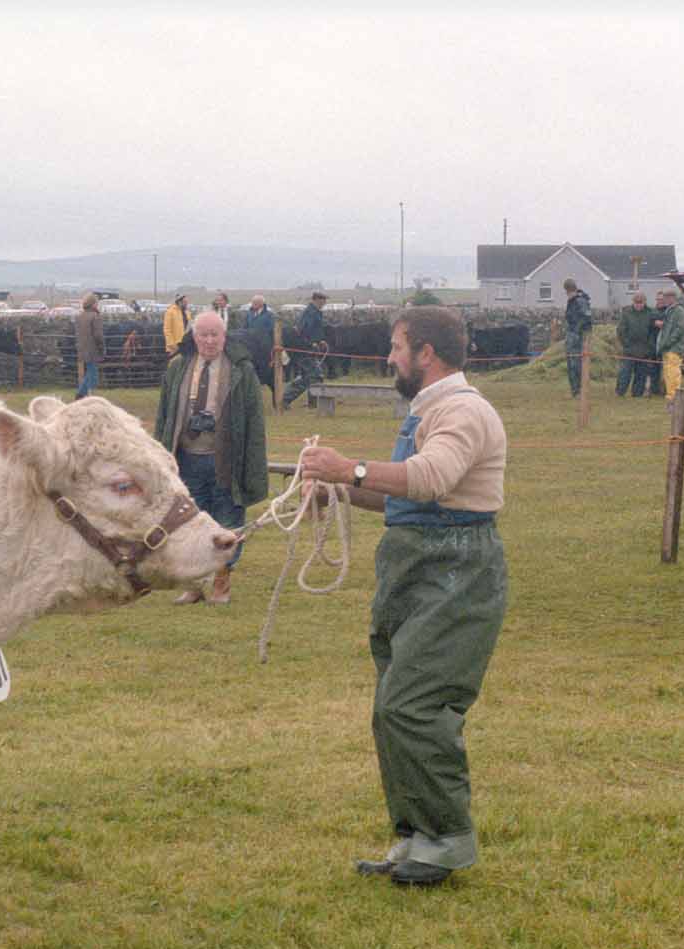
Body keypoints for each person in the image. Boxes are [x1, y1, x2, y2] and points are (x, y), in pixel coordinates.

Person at [298, 306, 508, 888]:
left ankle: (448, 838)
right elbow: (409, 498)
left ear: (426, 353)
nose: (389, 358)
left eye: (396, 347)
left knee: (411, 705)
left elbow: (431, 478)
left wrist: (348, 468)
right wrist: (337, 490)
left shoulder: (463, 412)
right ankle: (418, 835)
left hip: (456, 574)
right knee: (392, 705)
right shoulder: (429, 411)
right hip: (418, 569)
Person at [152, 310, 267, 606]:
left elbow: (255, 423)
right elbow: (164, 415)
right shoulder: (178, 367)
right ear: (194, 336)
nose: (209, 340)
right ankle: (193, 585)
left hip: (226, 460)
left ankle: (222, 581)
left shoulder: (242, 370)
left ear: (224, 337)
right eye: (203, 334)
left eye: (215, 334)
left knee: (227, 520)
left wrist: (252, 466)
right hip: (187, 458)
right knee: (189, 523)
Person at [282, 290, 328, 409]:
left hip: (310, 348)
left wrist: (320, 340)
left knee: (309, 376)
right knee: (314, 375)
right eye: (323, 300)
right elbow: (301, 331)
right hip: (305, 349)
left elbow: (315, 330)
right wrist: (311, 343)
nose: (324, 303)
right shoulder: (309, 313)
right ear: (316, 300)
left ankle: (312, 404)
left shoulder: (315, 312)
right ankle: (284, 400)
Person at [614, 291, 658, 398]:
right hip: (629, 349)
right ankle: (620, 392)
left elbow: (653, 331)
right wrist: (626, 343)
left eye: (641, 302)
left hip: (644, 350)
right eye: (636, 302)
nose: (638, 305)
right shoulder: (626, 313)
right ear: (633, 302)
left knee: (641, 374)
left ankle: (637, 394)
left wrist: (649, 346)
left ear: (644, 302)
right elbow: (621, 330)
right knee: (624, 373)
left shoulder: (651, 313)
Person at [653, 288, 684, 401]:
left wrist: (668, 342)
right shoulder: (670, 310)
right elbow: (669, 326)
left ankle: (675, 395)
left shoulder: (679, 311)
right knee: (668, 372)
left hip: (674, 347)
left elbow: (680, 329)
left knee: (673, 371)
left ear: (672, 298)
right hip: (667, 347)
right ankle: (670, 394)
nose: (664, 300)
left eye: (666, 297)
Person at [562, 277, 592, 397]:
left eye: (567, 291)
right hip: (571, 336)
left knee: (576, 364)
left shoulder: (580, 301)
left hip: (577, 337)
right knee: (570, 363)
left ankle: (579, 390)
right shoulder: (572, 301)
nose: (566, 293)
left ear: (570, 289)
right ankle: (574, 390)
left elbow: (586, 318)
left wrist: (576, 331)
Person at [76, 292, 105, 398]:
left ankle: (83, 394)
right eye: (97, 303)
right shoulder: (95, 317)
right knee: (92, 375)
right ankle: (82, 394)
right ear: (93, 304)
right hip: (93, 349)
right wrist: (102, 348)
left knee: (90, 373)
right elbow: (98, 335)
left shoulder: (79, 316)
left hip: (82, 348)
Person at [243, 294, 276, 389]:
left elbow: (271, 331)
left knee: (267, 372)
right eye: (252, 303)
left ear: (261, 304)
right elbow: (245, 328)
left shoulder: (269, 316)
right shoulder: (249, 314)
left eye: (255, 303)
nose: (253, 305)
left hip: (264, 349)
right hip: (251, 348)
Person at [163, 293, 191, 358]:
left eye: (187, 302)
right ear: (179, 302)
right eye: (185, 302)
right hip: (175, 347)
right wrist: (172, 345)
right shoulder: (170, 312)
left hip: (186, 345)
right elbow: (167, 330)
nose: (187, 304)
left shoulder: (188, 313)